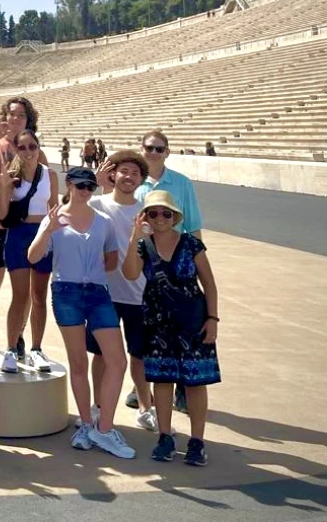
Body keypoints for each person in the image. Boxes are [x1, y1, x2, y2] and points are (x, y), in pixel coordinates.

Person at [27, 168, 135, 459]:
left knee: (117, 360)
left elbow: (112, 259)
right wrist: (48, 231)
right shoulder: (55, 218)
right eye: (81, 185)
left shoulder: (104, 221)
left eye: (91, 186)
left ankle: (104, 428)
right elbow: (33, 257)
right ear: (70, 185)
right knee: (78, 363)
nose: (86, 190)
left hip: (98, 293)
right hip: (66, 292)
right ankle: (87, 424)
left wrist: (95, 267)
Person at [122, 190, 221, 466]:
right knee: (162, 381)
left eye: (165, 213)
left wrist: (213, 319)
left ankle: (197, 441)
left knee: (195, 383)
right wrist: (134, 237)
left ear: (175, 216)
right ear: (146, 217)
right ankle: (164, 436)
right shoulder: (144, 245)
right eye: (153, 213)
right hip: (158, 323)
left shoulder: (191, 244)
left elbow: (209, 284)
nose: (160, 218)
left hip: (193, 322)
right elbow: (129, 273)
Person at [132, 129, 205, 416]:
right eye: (149, 147)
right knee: (151, 325)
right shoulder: (134, 184)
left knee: (183, 323)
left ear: (167, 152)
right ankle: (143, 384)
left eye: (159, 148)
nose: (153, 152)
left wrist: (196, 265)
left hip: (177, 260)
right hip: (146, 260)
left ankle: (185, 388)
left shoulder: (182, 184)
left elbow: (194, 225)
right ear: (141, 149)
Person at [88, 150, 157, 431]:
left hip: (139, 293)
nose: (129, 177)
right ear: (112, 174)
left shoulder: (147, 211)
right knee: (101, 354)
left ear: (141, 180)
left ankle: (145, 407)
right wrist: (93, 181)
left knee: (139, 354)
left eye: (135, 173)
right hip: (103, 292)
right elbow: (69, 211)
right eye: (124, 171)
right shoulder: (96, 204)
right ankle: (98, 405)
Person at [0, 96, 48, 354]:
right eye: (11, 114)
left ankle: (17, 334)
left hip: (24, 225)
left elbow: (45, 186)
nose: (15, 119)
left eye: (21, 115)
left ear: (28, 119)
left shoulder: (33, 149)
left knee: (26, 286)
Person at [0, 128, 59, 374]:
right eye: (23, 147)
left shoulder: (49, 175)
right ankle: (11, 349)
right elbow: (1, 214)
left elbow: (53, 209)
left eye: (33, 146)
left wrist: (54, 237)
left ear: (38, 147)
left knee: (39, 296)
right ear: (16, 150)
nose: (29, 152)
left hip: (42, 234)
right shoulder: (12, 175)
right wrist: (3, 188)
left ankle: (36, 349)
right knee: (20, 296)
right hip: (18, 235)